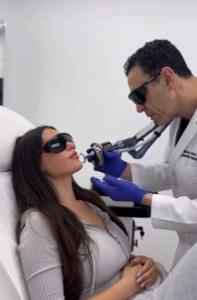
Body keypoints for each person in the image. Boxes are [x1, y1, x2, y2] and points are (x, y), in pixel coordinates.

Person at [12, 125, 167, 300]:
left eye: (67, 138)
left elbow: (113, 260)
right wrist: (130, 284)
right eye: (57, 144)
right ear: (36, 164)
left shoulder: (90, 203)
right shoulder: (39, 224)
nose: (70, 145)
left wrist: (145, 266)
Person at [90, 39, 197, 269]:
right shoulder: (179, 117)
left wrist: (144, 198)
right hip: (189, 256)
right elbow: (172, 171)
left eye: (139, 96)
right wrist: (124, 170)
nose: (138, 108)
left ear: (167, 78)